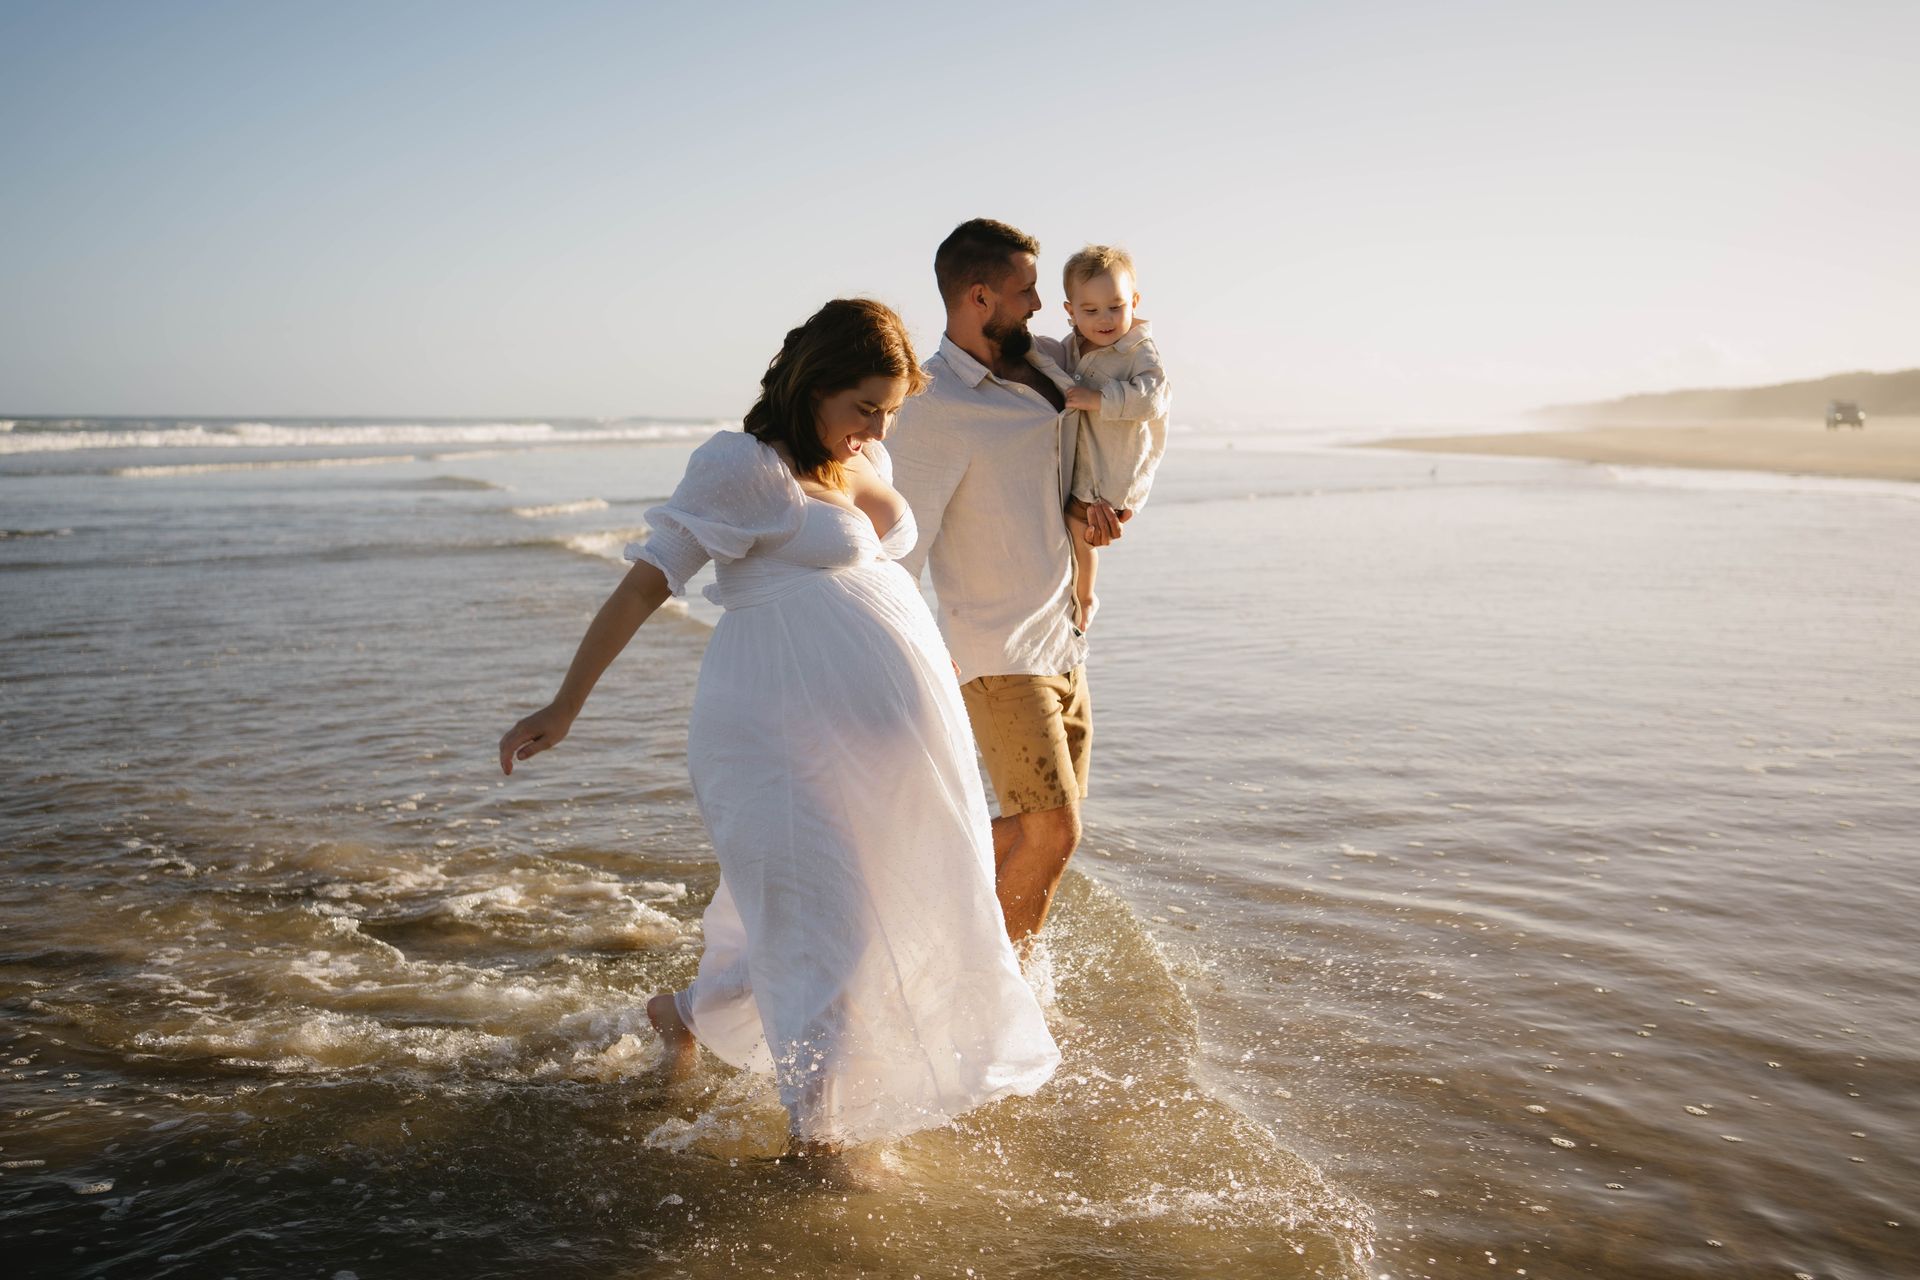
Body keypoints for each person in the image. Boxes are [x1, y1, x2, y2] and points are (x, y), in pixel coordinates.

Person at [497, 298, 1058, 1154]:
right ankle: (818, 1139)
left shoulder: (863, 450)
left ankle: (681, 1015)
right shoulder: (744, 466)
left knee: (853, 920)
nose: (874, 426)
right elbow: (646, 585)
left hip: (884, 745)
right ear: (813, 385)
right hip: (775, 730)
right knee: (820, 924)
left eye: (890, 409)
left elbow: (875, 578)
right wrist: (565, 704)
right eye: (862, 406)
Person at [888, 219, 1102, 991]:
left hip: (1064, 640)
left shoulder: (1042, 369)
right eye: (1024, 292)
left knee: (1025, 829)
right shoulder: (932, 407)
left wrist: (1091, 512)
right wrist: (912, 660)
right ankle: (997, 1007)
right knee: (1054, 830)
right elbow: (898, 552)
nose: (1042, 305)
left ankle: (917, 925)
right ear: (979, 297)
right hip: (995, 655)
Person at [1056, 244, 1171, 634]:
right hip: (1087, 457)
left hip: (1115, 468)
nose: (1104, 320)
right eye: (1090, 311)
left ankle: (1085, 594)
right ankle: (1073, 589)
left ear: (1134, 301)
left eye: (1116, 307)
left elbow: (1154, 397)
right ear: (1070, 311)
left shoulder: (1139, 350)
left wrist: (1098, 399)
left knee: (1080, 523)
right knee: (1071, 524)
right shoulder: (1072, 345)